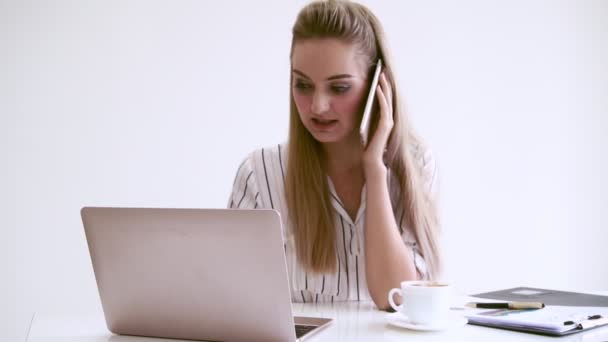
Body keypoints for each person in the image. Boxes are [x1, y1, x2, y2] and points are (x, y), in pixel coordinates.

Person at [228, 0, 441, 310]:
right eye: (303, 85)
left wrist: (375, 171)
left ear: (378, 86)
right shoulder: (259, 174)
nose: (317, 106)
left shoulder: (415, 165)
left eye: (339, 88)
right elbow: (232, 302)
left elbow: (395, 298)